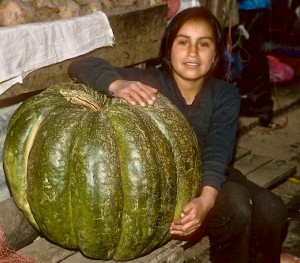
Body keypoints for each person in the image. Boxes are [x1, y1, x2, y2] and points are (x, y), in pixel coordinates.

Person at [68, 7, 289, 263]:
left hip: (210, 174)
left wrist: (205, 202)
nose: (193, 52)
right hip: (167, 187)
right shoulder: (149, 83)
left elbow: (218, 151)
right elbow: (81, 65)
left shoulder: (225, 95)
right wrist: (116, 84)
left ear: (216, 54)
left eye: (203, 44)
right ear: (168, 49)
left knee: (273, 210)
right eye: (183, 42)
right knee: (236, 207)